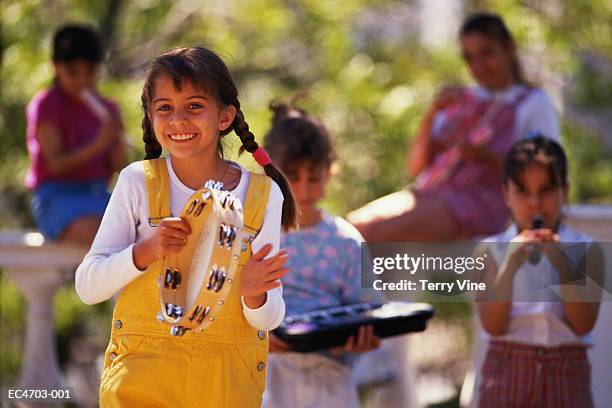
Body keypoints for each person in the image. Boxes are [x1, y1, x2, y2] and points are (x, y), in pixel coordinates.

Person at [75, 47, 297, 407]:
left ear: (225, 117)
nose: (178, 120)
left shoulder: (262, 195)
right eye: (164, 108)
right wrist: (145, 251)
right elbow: (88, 286)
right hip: (140, 384)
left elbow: (270, 317)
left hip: (227, 386)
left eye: (194, 106)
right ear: (150, 117)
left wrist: (254, 292)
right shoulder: (137, 183)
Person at [348, 12, 560, 242]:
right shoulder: (463, 99)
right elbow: (416, 167)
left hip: (482, 205)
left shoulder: (533, 102)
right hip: (429, 193)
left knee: (368, 236)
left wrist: (483, 157)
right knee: (351, 228)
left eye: (486, 53)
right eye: (469, 58)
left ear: (508, 47)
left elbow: (547, 173)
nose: (478, 66)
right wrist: (431, 115)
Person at [261, 102, 381, 408]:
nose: (302, 187)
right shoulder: (256, 233)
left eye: (313, 177)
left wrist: (358, 338)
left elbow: (365, 310)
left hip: (330, 377)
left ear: (330, 172)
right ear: (270, 171)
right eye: (292, 175)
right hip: (266, 375)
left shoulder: (347, 241)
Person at [475, 135, 602, 407]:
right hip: (507, 372)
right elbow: (493, 326)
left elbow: (583, 324)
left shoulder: (586, 248)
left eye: (545, 190)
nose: (534, 203)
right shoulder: (490, 250)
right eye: (522, 190)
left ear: (564, 191)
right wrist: (509, 268)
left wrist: (563, 265)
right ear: (505, 194)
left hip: (567, 374)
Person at [25, 24, 127, 245]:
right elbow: (55, 164)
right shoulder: (47, 104)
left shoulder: (108, 108)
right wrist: (98, 145)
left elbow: (117, 166)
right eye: (72, 72)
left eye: (90, 72)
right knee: (105, 236)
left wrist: (118, 140)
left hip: (99, 193)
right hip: (57, 197)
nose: (82, 80)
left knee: (141, 227)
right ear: (55, 66)